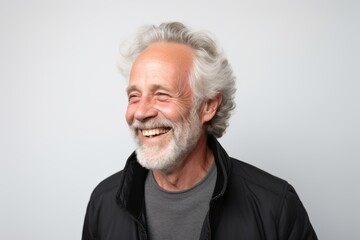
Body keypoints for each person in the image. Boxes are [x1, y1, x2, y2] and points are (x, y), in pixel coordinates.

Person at [82, 22, 317, 240]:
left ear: (208, 106)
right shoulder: (103, 203)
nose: (141, 112)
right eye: (134, 96)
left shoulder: (276, 206)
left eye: (162, 94)